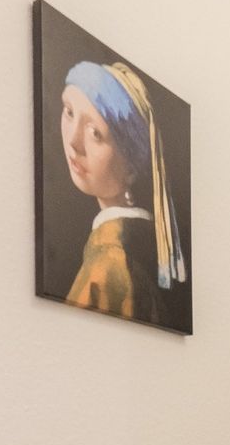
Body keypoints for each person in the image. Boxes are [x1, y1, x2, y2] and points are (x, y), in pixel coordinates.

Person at [59, 60, 186, 326]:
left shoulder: (110, 261)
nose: (73, 141)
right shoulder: (135, 246)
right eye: (69, 112)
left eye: (95, 133)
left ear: (130, 169)